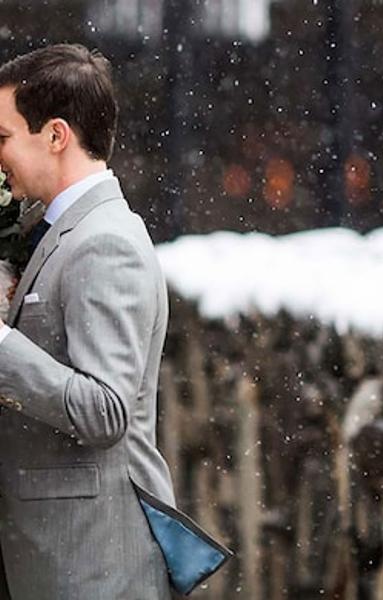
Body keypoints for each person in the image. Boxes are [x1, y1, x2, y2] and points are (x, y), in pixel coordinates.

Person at [0, 44, 230, 598]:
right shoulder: (61, 233)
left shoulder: (105, 243)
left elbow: (105, 411)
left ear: (56, 136)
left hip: (91, 566)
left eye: (3, 137)